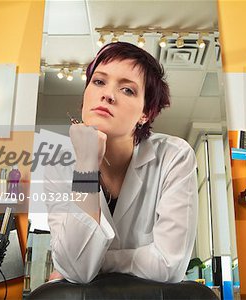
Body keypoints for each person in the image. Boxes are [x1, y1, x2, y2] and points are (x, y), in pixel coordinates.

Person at [44, 42, 198, 284]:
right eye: (98, 82)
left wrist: (100, 260)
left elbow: (170, 265)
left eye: (127, 90)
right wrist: (86, 164)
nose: (107, 94)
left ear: (145, 113)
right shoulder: (58, 163)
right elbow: (76, 269)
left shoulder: (174, 156)